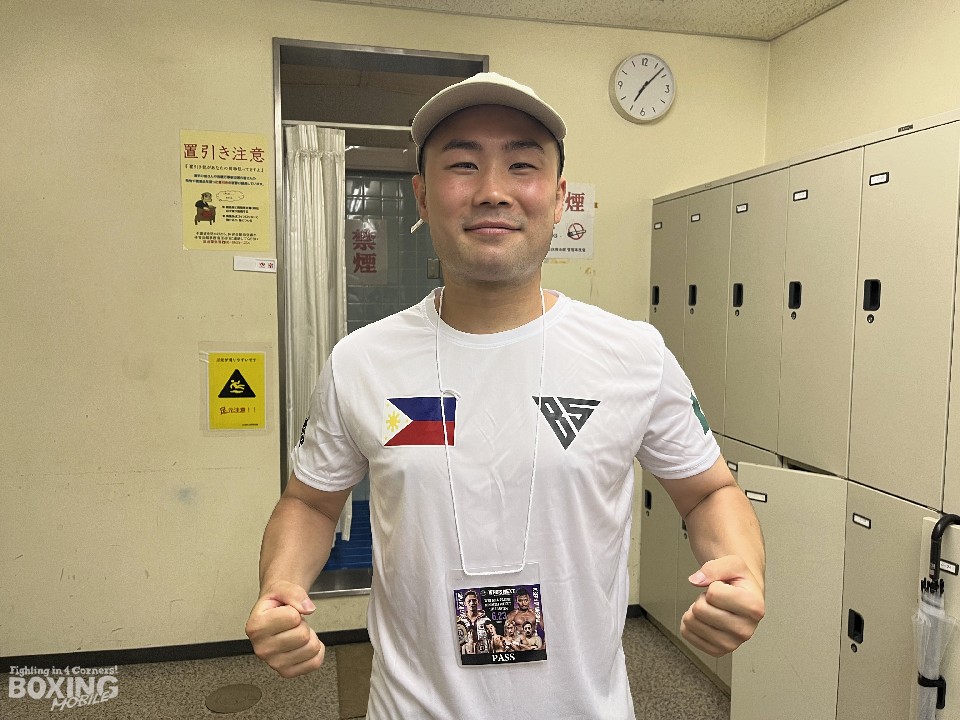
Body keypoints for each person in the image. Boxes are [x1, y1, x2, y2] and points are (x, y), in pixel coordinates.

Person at [244, 71, 765, 719]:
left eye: (522, 165)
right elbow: (310, 502)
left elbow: (709, 490)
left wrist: (740, 568)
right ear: (422, 196)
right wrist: (281, 586)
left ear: (560, 196)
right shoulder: (362, 360)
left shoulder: (633, 355)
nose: (493, 190)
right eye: (462, 165)